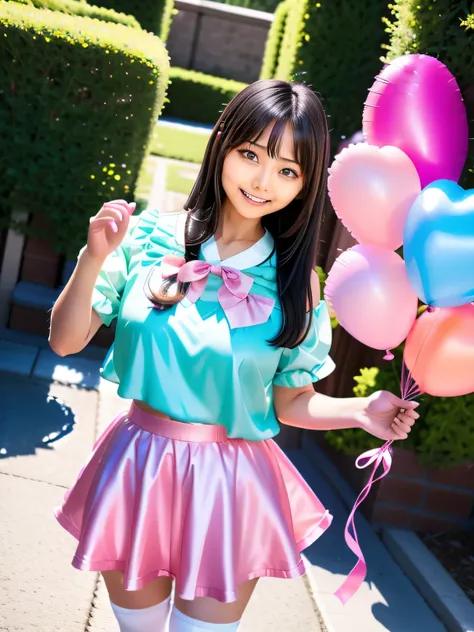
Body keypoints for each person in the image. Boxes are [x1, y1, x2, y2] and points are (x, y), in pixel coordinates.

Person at [49, 79, 419, 632]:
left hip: (230, 483)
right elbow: (65, 340)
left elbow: (292, 399)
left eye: (288, 170)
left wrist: (360, 410)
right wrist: (93, 257)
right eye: (251, 155)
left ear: (305, 185)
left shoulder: (299, 287)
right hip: (137, 467)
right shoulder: (149, 236)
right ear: (222, 143)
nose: (263, 181)